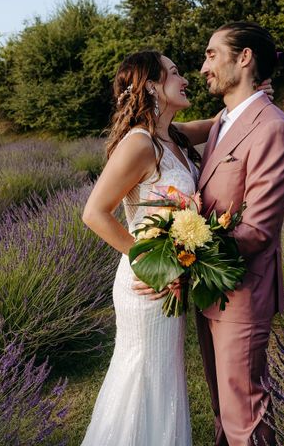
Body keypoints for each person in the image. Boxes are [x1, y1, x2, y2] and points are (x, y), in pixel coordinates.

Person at [81, 50, 273, 445]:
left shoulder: (174, 136)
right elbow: (95, 213)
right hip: (147, 283)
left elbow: (224, 122)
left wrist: (255, 93)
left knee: (163, 379)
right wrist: (152, 266)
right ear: (151, 86)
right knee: (142, 376)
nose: (185, 78)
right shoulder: (139, 144)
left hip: (169, 278)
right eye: (174, 73)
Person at [194, 22, 284, 446]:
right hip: (209, 288)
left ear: (245, 57)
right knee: (223, 410)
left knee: (245, 417)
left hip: (242, 293)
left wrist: (184, 247)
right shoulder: (224, 122)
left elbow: (257, 229)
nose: (203, 67)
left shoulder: (274, 128)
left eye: (211, 54)